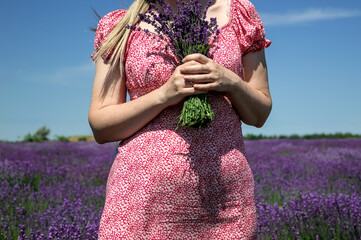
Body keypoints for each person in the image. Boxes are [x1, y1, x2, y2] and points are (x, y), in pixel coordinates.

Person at [89, 0, 271, 238]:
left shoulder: (238, 13)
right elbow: (101, 126)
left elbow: (259, 114)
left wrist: (230, 82)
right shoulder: (121, 26)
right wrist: (164, 95)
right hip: (141, 205)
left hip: (225, 203)